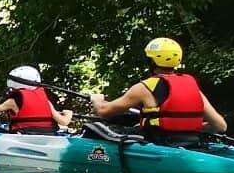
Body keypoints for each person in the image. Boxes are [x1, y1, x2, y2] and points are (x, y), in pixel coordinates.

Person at [90, 37, 227, 142]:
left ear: (152, 61)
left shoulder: (144, 88)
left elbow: (103, 112)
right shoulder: (193, 89)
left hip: (159, 144)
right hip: (191, 143)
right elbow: (221, 126)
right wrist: (190, 127)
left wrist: (97, 100)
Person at [0, 65, 72, 135]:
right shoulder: (46, 102)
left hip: (24, 136)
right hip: (49, 136)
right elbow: (64, 122)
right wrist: (68, 114)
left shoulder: (12, 101)